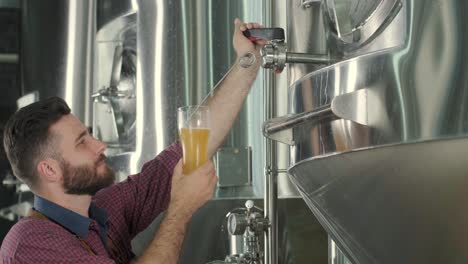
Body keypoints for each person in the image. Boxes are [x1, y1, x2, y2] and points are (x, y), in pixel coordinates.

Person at [0, 18, 266, 264]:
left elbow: (190, 150)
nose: (100, 145)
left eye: (89, 134)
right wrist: (181, 209)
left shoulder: (102, 210)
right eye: (82, 142)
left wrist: (248, 61)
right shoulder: (28, 245)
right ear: (49, 169)